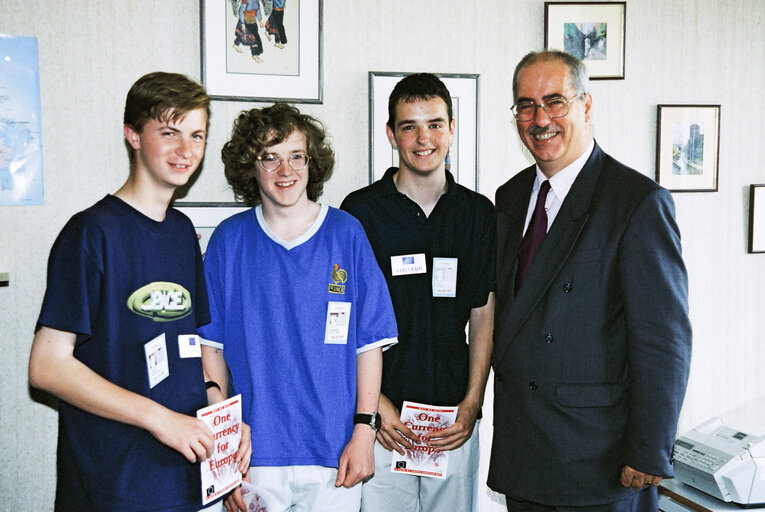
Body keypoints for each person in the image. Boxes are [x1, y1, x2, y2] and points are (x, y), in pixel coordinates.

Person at [28, 71, 251, 512]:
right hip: (113, 482)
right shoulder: (91, 233)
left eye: (196, 135)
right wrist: (158, 418)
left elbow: (188, 353)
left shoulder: (183, 232)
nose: (185, 150)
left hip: (181, 482)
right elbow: (47, 367)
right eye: (169, 133)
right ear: (132, 134)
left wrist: (224, 422)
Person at [489, 50, 692, 511]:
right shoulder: (510, 197)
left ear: (586, 105)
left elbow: (664, 340)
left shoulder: (637, 202)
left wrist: (651, 447)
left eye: (555, 101)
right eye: (526, 105)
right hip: (524, 454)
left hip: (599, 459)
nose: (540, 119)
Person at [199, 103, 398, 512]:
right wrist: (224, 449)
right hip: (254, 454)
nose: (284, 171)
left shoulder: (347, 233)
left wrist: (364, 432)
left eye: (295, 156)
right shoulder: (228, 241)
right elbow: (210, 348)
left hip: (335, 450)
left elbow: (369, 345)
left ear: (312, 162)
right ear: (249, 166)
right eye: (268, 158)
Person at [341, 73, 496, 512]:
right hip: (382, 423)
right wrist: (375, 408)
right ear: (391, 134)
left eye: (434, 124)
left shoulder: (478, 214)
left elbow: (484, 311)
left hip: (452, 421)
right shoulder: (360, 213)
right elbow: (344, 319)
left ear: (452, 129)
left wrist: (472, 402)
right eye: (409, 126)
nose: (423, 138)